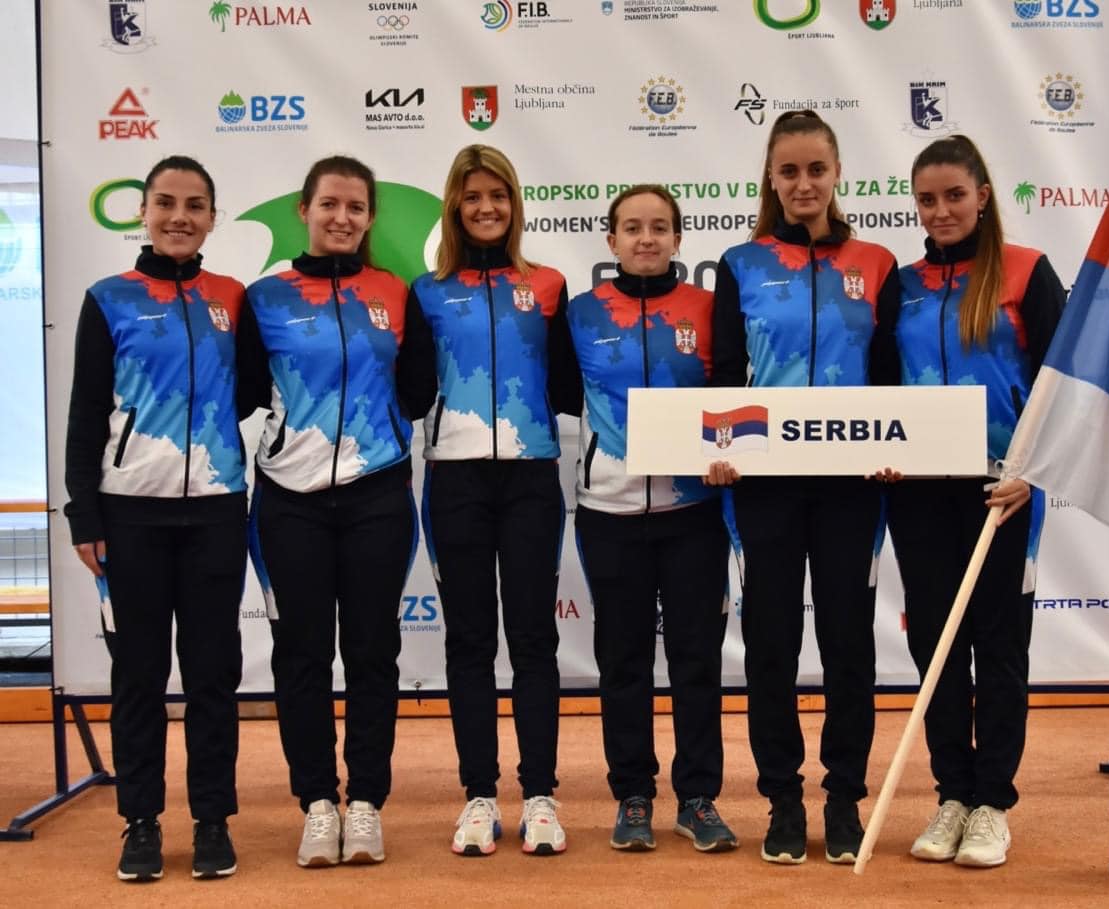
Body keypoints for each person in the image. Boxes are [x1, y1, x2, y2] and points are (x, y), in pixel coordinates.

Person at [707, 110, 901, 865]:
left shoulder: (876, 263)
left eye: (816, 169)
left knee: (849, 645)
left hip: (854, 488)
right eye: (788, 171)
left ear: (837, 172)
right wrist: (718, 449)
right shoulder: (740, 263)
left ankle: (844, 799)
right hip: (766, 489)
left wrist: (895, 447)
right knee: (771, 648)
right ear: (771, 177)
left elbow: (889, 377)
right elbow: (725, 375)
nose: (803, 184)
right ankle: (783, 801)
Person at [238, 155, 431, 868]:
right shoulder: (265, 296)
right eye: (329, 204)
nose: (342, 217)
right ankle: (318, 803)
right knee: (302, 654)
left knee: (374, 652)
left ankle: (366, 802)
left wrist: (377, 427)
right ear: (305, 210)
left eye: (355, 207)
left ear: (370, 216)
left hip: (378, 493)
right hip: (288, 500)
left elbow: (418, 390)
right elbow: (244, 392)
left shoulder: (395, 291)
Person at [64, 155, 246, 882]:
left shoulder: (232, 297)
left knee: (212, 676)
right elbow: (86, 412)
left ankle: (212, 820)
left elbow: (251, 389)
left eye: (195, 205)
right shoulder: (108, 297)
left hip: (217, 511)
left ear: (212, 217)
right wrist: (84, 513)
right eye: (166, 202)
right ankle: (140, 821)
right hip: (129, 514)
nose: (179, 216)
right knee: (138, 676)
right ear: (142, 211)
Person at [889, 134, 1065, 868]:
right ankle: (952, 796)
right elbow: (880, 389)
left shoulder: (1027, 271)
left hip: (1004, 492)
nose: (941, 210)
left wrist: (1036, 472)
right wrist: (883, 453)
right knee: (935, 649)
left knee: (998, 647)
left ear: (983, 195)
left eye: (955, 195)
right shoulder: (901, 283)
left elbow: (1064, 387)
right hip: (918, 496)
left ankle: (992, 802)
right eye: (927, 199)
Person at [407, 145, 580, 856]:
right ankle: (478, 795)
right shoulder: (426, 292)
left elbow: (571, 387)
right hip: (455, 481)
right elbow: (410, 392)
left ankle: (540, 795)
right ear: (454, 204)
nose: (486, 207)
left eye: (498, 195)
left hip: (533, 477)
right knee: (470, 642)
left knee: (534, 639)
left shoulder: (548, 285)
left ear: (515, 204)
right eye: (473, 195)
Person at [566, 184, 737, 853]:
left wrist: (726, 454)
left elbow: (730, 395)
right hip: (608, 510)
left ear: (677, 238)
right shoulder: (580, 312)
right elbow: (560, 390)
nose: (646, 238)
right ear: (611, 240)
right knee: (623, 661)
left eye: (659, 227)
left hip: (693, 510)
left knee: (697, 659)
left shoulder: (707, 308)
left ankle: (698, 798)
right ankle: (632, 794)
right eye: (633, 227)